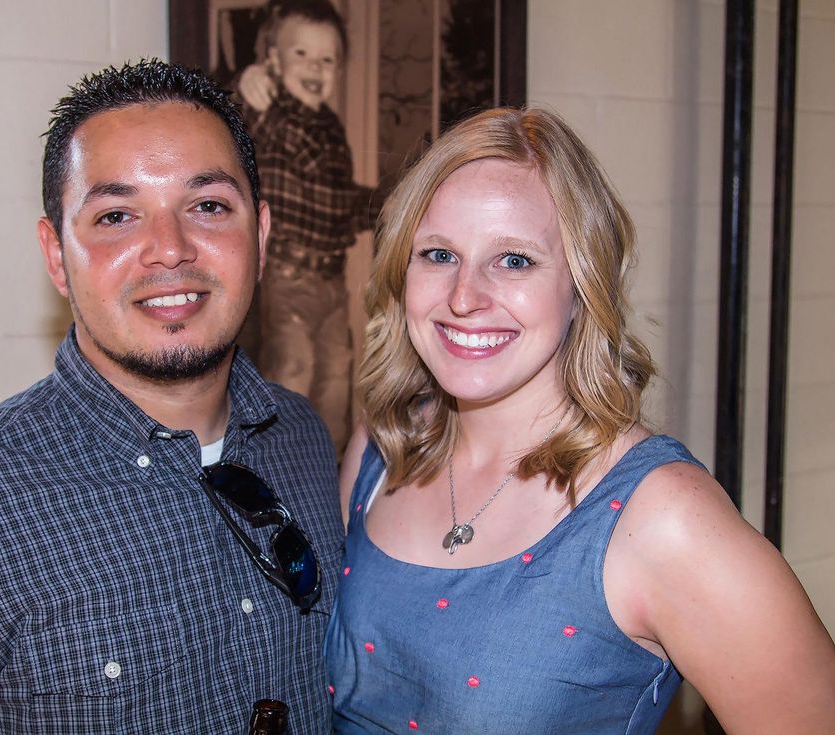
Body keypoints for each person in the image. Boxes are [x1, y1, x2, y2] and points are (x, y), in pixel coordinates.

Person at [0, 60, 343, 733]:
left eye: (207, 206)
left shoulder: (306, 439)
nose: (169, 249)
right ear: (56, 255)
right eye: (116, 215)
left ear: (258, 235)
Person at [324, 107, 835, 733]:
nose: (463, 296)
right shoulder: (381, 452)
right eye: (438, 254)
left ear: (581, 287)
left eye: (514, 260)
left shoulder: (662, 518)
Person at [236, 0, 377, 457]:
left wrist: (387, 203)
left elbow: (339, 203)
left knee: (337, 375)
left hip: (331, 281)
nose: (315, 67)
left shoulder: (331, 129)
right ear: (273, 60)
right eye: (301, 55)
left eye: (327, 59)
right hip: (285, 273)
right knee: (292, 367)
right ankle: (272, 463)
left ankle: (324, 465)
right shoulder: (269, 111)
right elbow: (234, 124)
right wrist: (245, 85)